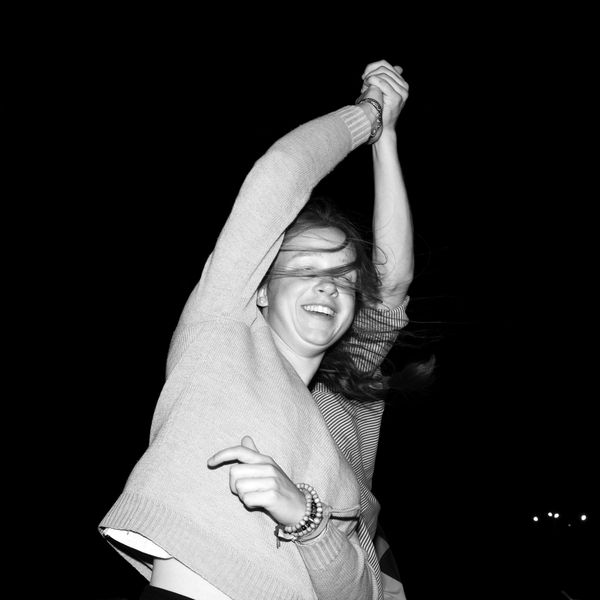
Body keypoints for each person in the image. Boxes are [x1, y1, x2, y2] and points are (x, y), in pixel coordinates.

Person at [100, 59, 421, 600]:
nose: (328, 287)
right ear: (261, 291)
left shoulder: (346, 408)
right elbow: (280, 175)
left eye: (344, 279)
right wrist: (370, 117)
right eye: (306, 270)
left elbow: (360, 591)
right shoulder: (222, 333)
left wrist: (305, 518)